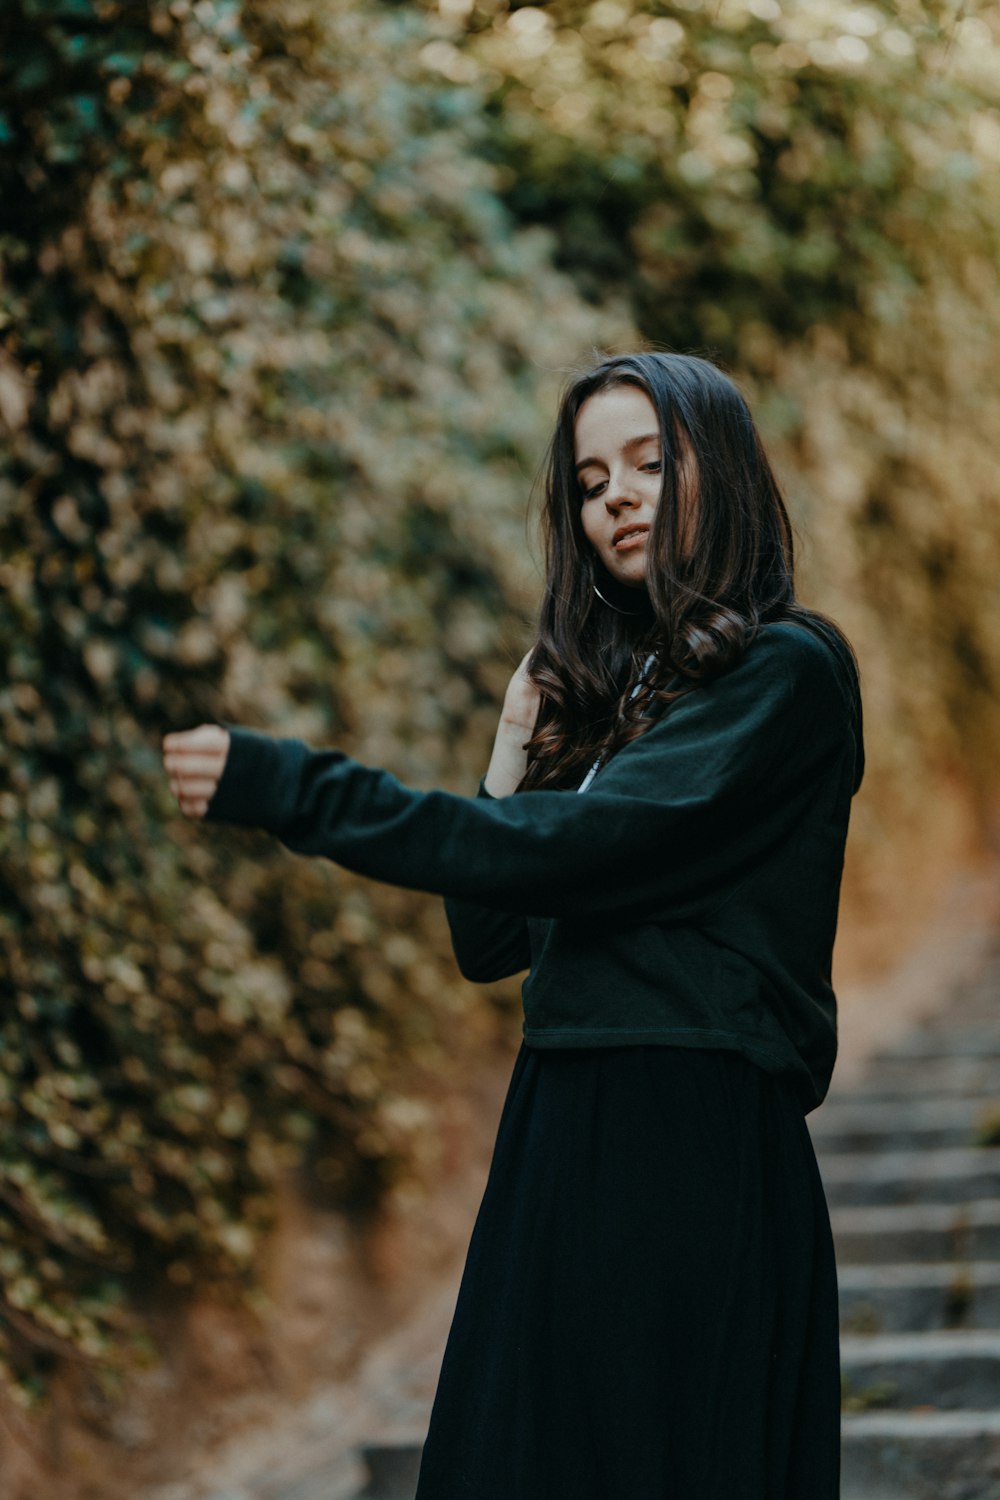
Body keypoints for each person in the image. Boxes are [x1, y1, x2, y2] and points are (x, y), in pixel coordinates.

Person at [162, 350, 864, 1499]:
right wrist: (513, 746)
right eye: (590, 483)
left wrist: (296, 790)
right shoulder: (636, 705)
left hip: (688, 1139)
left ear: (720, 473)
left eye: (649, 462)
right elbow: (489, 939)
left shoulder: (786, 678)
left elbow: (567, 856)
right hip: (564, 1124)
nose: (617, 499)